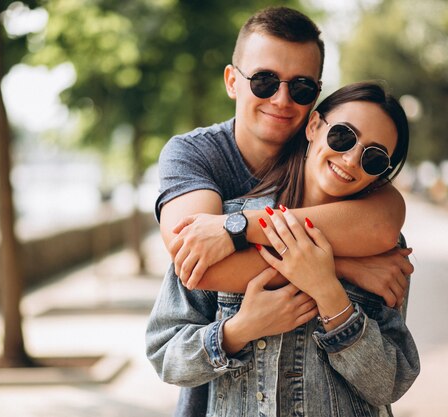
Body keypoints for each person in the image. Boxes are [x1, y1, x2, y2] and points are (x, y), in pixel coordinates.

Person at [154, 6, 413, 416]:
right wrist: (337, 266)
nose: (282, 99)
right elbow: (196, 263)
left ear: (313, 106)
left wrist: (327, 289)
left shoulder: (374, 231)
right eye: (264, 81)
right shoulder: (194, 155)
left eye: (302, 88)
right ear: (232, 81)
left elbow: (385, 220)